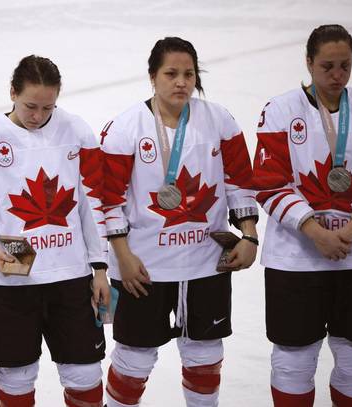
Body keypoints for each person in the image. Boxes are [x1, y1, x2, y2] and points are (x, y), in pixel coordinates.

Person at [100, 37, 258, 407]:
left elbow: (240, 181)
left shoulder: (219, 119)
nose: (181, 82)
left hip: (206, 262)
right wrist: (121, 256)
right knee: (133, 360)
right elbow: (109, 201)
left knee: (204, 356)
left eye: (189, 74)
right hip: (142, 266)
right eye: (171, 73)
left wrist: (248, 234)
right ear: (153, 76)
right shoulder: (125, 128)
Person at [0, 55, 110, 407]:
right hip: (10, 284)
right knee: (15, 378)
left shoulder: (77, 131)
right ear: (12, 92)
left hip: (71, 279)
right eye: (30, 106)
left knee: (85, 375)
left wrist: (100, 267)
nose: (38, 116)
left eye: (47, 107)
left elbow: (93, 205)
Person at [252, 24, 352, 406]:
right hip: (297, 260)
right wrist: (317, 232)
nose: (337, 75)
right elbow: (268, 182)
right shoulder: (280, 110)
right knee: (293, 363)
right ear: (309, 63)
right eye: (327, 65)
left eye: (345, 65)